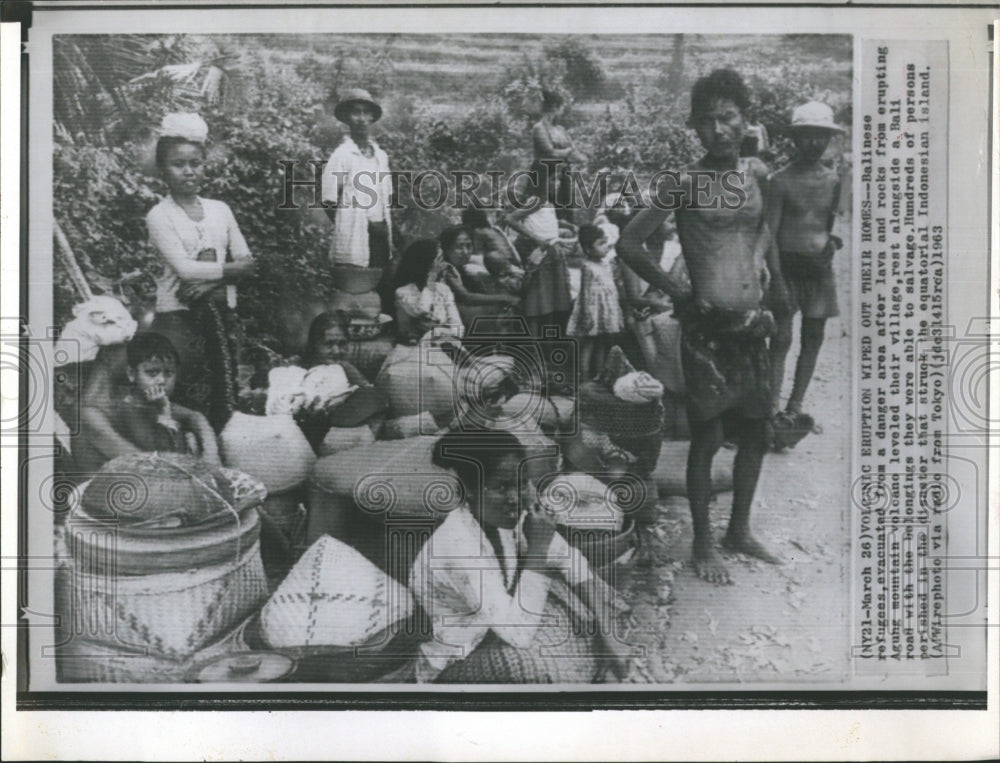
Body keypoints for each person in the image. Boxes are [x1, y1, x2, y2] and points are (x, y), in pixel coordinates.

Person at [618, 69, 784, 584]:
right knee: (708, 437)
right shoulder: (684, 182)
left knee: (756, 431)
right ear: (693, 125)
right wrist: (680, 294)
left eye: (728, 117)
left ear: (744, 120)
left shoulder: (758, 173)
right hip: (707, 329)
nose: (718, 129)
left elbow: (767, 224)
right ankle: (704, 543)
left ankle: (739, 529)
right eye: (707, 120)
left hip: (753, 323)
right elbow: (629, 243)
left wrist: (760, 260)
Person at [409, 430, 630, 683]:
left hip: (501, 616)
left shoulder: (511, 514)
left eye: (521, 483)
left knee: (591, 608)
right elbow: (518, 635)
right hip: (462, 650)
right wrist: (538, 547)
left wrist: (609, 633)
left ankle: (595, 653)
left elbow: (571, 560)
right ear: (469, 489)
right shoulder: (456, 545)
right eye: (500, 487)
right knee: (538, 669)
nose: (514, 499)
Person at [146, 112, 255, 432]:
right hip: (178, 320)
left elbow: (248, 262)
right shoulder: (159, 215)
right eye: (178, 164)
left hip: (222, 316)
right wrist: (230, 272)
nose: (188, 171)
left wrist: (215, 283)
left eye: (196, 163)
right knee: (182, 398)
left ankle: (221, 458)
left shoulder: (221, 210)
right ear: (163, 169)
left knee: (225, 391)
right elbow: (184, 268)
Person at [766, 101, 844, 427]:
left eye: (820, 137)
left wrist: (832, 243)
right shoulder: (779, 181)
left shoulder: (836, 181)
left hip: (819, 270)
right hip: (787, 268)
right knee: (780, 339)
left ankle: (794, 407)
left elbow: (834, 224)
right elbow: (769, 234)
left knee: (814, 338)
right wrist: (777, 279)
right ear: (794, 139)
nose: (813, 144)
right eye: (806, 137)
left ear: (829, 140)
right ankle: (768, 410)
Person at [75, 332, 219, 474]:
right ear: (131, 374)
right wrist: (165, 417)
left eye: (169, 373)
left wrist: (212, 453)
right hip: (103, 490)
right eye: (152, 373)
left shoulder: (152, 402)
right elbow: (151, 467)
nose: (162, 380)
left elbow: (196, 417)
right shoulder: (96, 413)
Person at [321, 88, 394, 271]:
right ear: (347, 118)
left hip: (381, 234)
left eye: (365, 112)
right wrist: (349, 225)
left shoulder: (381, 156)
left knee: (383, 287)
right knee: (357, 287)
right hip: (356, 237)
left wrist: (380, 227)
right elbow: (328, 200)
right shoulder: (342, 155)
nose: (361, 118)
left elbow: (387, 197)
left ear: (371, 117)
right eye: (356, 112)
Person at [295, 312, 388, 451]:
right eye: (328, 344)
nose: (336, 350)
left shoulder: (344, 367)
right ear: (314, 344)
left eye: (342, 344)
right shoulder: (300, 371)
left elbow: (373, 396)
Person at [504, 162, 575, 337]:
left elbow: (542, 221)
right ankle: (534, 351)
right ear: (540, 181)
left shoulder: (546, 202)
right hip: (541, 255)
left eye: (558, 179)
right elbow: (510, 219)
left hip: (552, 253)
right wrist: (536, 238)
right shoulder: (535, 201)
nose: (556, 184)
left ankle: (547, 349)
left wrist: (564, 225)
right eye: (552, 179)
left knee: (551, 304)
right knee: (538, 306)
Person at [567, 225, 626, 379]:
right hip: (593, 309)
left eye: (606, 242)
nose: (606, 246)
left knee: (602, 343)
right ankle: (584, 378)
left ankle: (598, 376)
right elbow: (585, 291)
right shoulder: (587, 266)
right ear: (588, 249)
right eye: (601, 243)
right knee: (589, 344)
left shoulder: (606, 263)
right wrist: (586, 313)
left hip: (605, 309)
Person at [392, 238, 464, 342]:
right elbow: (421, 310)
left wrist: (445, 334)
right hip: (418, 344)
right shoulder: (403, 292)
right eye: (439, 260)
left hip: (445, 341)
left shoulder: (444, 290)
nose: (442, 265)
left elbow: (457, 324)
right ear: (426, 261)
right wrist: (431, 278)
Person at [531, 89, 585, 219]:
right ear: (555, 107)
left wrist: (583, 158)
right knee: (545, 207)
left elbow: (575, 152)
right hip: (545, 173)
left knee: (564, 206)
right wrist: (568, 152)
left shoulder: (560, 129)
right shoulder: (539, 128)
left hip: (563, 172)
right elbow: (550, 152)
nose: (562, 111)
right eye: (561, 107)